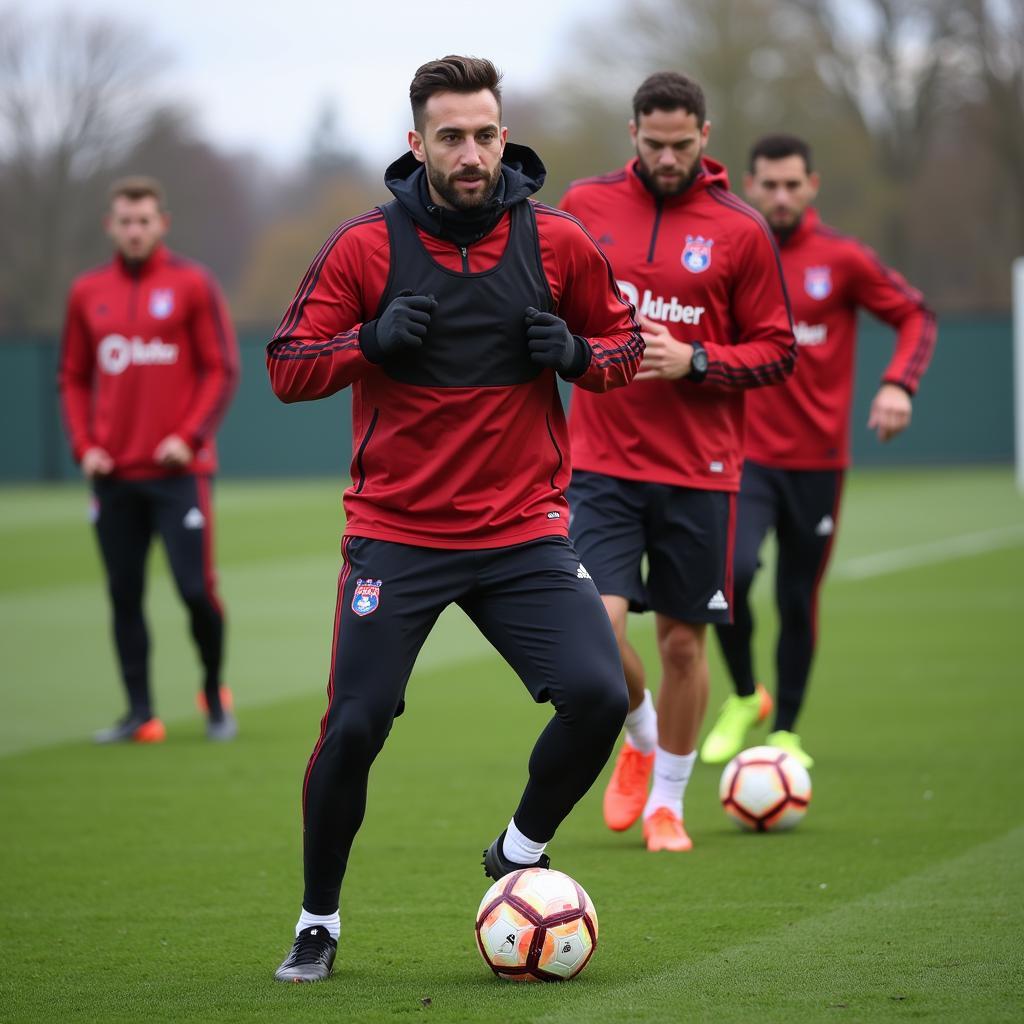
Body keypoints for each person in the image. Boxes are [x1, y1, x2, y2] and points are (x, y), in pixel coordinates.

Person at [266, 55, 642, 983]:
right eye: (450, 137)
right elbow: (286, 364)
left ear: (503, 135)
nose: (469, 154)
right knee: (353, 727)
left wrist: (582, 354)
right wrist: (369, 343)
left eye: (483, 135)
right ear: (416, 143)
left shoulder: (557, 242)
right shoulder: (364, 247)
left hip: (523, 531)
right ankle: (318, 920)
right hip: (398, 533)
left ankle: (518, 851)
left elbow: (628, 348)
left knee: (601, 695)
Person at [560, 72, 796, 853]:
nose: (668, 156)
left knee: (684, 645)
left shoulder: (741, 228)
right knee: (594, 631)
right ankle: (639, 729)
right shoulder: (585, 206)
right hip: (599, 461)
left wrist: (694, 361)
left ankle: (668, 802)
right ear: (632, 134)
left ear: (706, 134)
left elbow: (778, 351)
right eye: (654, 143)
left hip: (700, 471)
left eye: (682, 143)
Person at [703, 134, 937, 768]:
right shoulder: (729, 250)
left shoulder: (843, 259)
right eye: (769, 185)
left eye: (792, 184)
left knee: (795, 597)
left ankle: (787, 733)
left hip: (817, 465)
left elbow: (917, 315)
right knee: (733, 579)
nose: (780, 196)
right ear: (748, 185)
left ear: (813, 185)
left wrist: (898, 384)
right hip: (743, 457)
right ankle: (747, 695)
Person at [58, 176, 240, 744]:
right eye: (124, 221)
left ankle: (214, 694)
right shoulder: (88, 291)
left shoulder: (191, 284)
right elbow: (72, 376)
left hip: (179, 474)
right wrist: (85, 447)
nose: (134, 230)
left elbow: (222, 369)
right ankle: (140, 712)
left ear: (162, 223)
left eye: (144, 221)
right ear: (110, 226)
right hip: (113, 475)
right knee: (124, 593)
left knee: (194, 590)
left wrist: (188, 436)